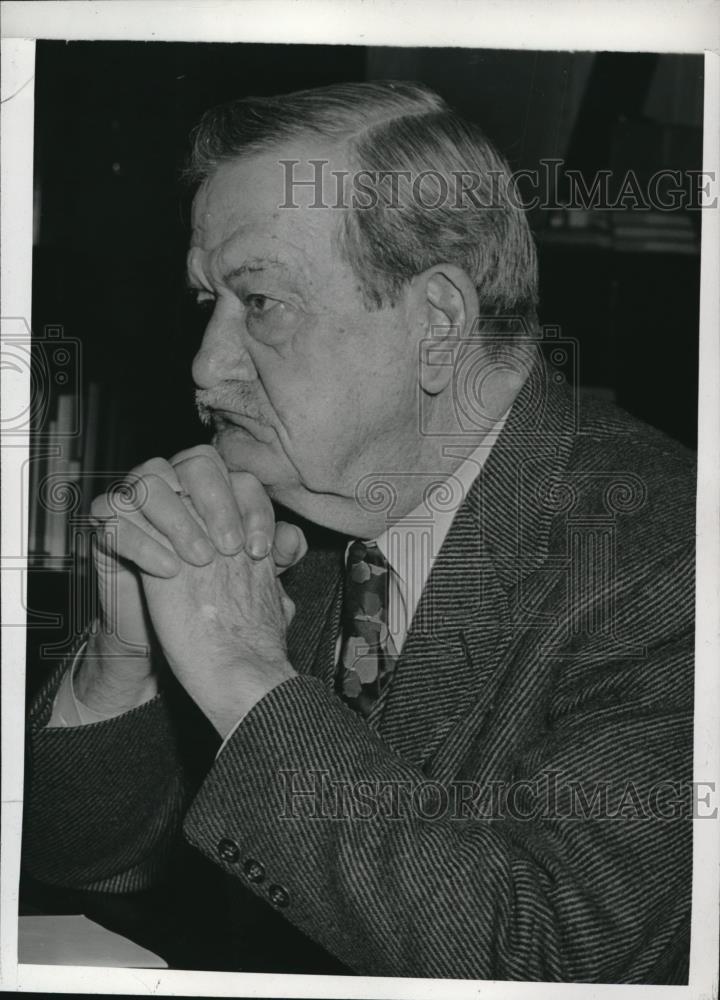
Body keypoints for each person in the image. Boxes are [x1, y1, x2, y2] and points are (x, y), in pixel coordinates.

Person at [23, 81, 695, 982]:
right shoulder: (285, 515)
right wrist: (121, 660)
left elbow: (549, 956)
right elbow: (79, 864)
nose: (205, 364)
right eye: (205, 304)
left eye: (259, 302)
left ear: (437, 325)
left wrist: (246, 678)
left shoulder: (671, 557)